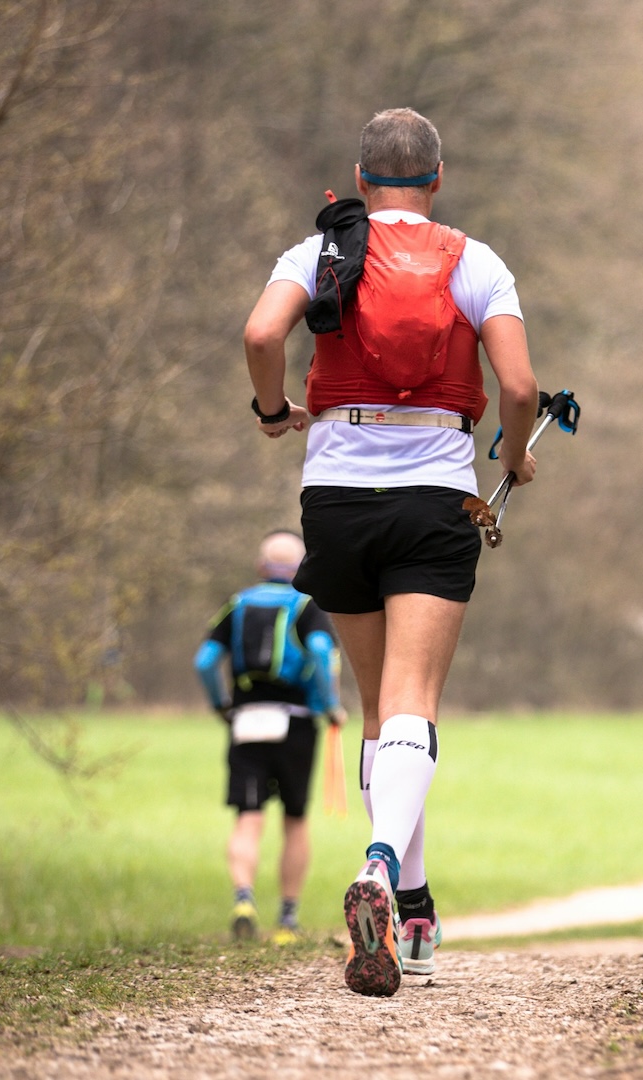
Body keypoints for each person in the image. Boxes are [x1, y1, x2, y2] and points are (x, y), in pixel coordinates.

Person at [241, 107, 539, 997]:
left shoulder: (318, 253)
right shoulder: (477, 262)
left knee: (379, 709)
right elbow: (520, 386)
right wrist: (515, 457)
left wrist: (273, 411)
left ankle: (413, 910)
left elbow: (261, 336)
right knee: (415, 704)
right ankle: (379, 863)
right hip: (434, 496)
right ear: (437, 178)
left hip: (335, 498)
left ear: (361, 180)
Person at [193, 530, 342, 945]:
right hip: (296, 722)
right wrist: (330, 705)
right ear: (301, 568)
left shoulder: (237, 604)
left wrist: (221, 705)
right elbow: (321, 652)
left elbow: (205, 661)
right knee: (295, 820)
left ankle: (244, 899)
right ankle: (287, 921)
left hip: (245, 720)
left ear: (261, 566)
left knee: (248, 815)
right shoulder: (307, 606)